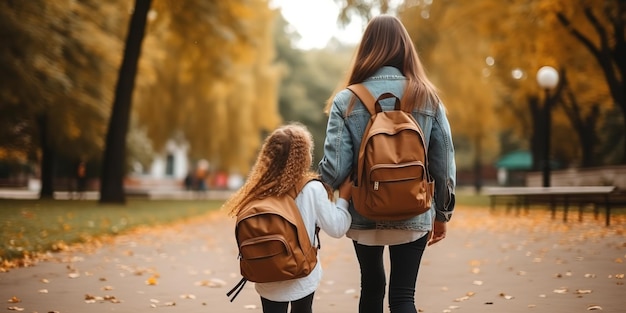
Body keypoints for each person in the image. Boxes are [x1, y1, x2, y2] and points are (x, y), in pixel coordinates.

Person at [318, 15, 457, 313]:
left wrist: (317, 192)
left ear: (366, 49)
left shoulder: (348, 100)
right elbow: (443, 161)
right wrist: (442, 213)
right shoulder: (427, 96)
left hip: (364, 212)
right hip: (414, 210)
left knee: (370, 288)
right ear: (406, 48)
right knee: (404, 296)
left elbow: (334, 168)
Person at [223, 122, 352, 313]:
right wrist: (345, 199)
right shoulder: (312, 189)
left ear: (268, 157)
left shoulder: (257, 190)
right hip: (301, 275)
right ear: (301, 158)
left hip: (266, 273)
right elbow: (337, 228)